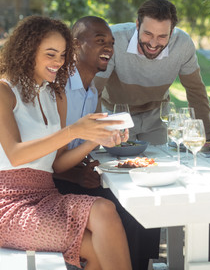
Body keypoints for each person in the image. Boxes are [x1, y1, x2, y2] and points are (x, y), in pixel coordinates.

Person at [0, 15, 131, 270]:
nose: (58, 62)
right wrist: (72, 131)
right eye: (50, 54)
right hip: (6, 206)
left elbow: (58, 165)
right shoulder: (0, 91)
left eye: (62, 54)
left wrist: (94, 138)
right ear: (28, 51)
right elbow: (15, 154)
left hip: (46, 195)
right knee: (98, 249)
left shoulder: (54, 96)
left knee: (105, 210)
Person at [53, 15, 161, 270]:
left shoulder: (91, 92)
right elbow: (51, 160)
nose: (109, 48)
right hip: (53, 184)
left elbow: (83, 145)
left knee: (141, 201)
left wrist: (87, 167)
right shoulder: (60, 89)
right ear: (76, 45)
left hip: (71, 175)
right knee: (129, 209)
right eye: (100, 40)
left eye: (111, 43)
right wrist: (77, 177)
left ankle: (140, 265)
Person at [94, 0, 210, 143]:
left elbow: (196, 91)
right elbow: (94, 91)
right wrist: (90, 142)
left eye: (162, 36)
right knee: (120, 163)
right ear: (137, 24)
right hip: (117, 116)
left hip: (157, 117)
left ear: (172, 31)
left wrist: (207, 136)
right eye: (148, 34)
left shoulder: (183, 44)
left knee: (160, 161)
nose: (153, 43)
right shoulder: (113, 39)